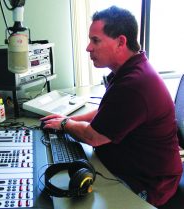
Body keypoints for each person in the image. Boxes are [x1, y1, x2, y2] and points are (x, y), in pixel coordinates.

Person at [41, 6, 183, 207]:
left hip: (149, 183)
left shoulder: (134, 84)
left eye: (95, 40)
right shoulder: (130, 69)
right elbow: (108, 112)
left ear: (121, 42)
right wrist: (70, 120)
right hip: (131, 168)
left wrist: (65, 124)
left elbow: (93, 137)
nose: (88, 48)